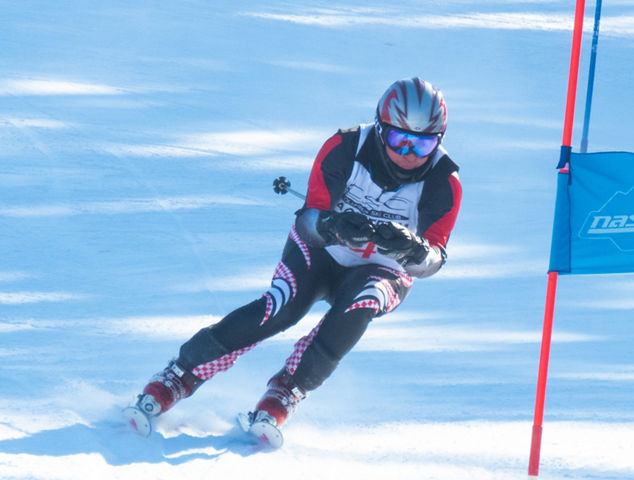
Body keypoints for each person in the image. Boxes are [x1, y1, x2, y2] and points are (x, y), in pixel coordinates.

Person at [126, 77, 462, 444]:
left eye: (424, 144)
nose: (410, 154)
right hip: (323, 251)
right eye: (400, 140)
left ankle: (288, 389)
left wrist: (412, 248)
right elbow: (308, 221)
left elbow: (431, 261)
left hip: (383, 269)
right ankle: (179, 374)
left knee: (362, 302)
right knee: (283, 306)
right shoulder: (345, 146)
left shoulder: (445, 182)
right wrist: (334, 225)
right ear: (381, 130)